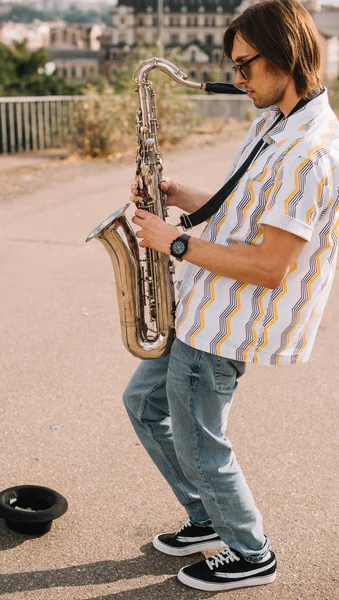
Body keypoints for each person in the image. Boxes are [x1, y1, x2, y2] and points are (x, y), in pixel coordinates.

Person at [123, 0, 339, 593]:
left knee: (200, 439)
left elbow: (271, 266)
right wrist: (179, 195)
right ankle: (206, 519)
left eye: (246, 66)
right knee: (144, 403)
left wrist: (174, 244)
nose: (236, 78)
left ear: (287, 55)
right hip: (201, 307)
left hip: (228, 322)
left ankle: (249, 551)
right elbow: (242, 214)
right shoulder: (275, 123)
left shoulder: (307, 153)